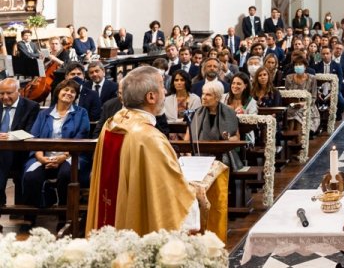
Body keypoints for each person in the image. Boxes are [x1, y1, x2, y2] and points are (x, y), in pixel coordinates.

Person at [86, 66, 204, 237]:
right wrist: (195, 191)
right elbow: (171, 193)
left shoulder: (112, 123)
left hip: (116, 211)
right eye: (162, 86)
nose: (165, 91)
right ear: (150, 96)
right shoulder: (149, 137)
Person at [22, 79, 91, 207]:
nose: (69, 93)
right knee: (30, 176)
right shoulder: (44, 114)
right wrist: (42, 158)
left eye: (73, 92)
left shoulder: (81, 113)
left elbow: (80, 137)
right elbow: (34, 137)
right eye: (66, 90)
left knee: (66, 175)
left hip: (72, 156)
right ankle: (34, 213)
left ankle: (64, 214)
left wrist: (62, 157)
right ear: (58, 92)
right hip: (44, 155)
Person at [0, 78, 40, 206]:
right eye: (1, 93)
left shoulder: (31, 106)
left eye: (9, 93)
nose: (5, 97)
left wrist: (8, 136)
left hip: (19, 151)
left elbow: (30, 131)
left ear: (19, 91)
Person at [187, 80, 243, 170]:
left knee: (223, 163)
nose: (203, 97)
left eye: (208, 95)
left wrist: (228, 139)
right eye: (203, 94)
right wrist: (189, 154)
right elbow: (188, 137)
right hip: (200, 152)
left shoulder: (229, 112)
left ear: (217, 97)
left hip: (223, 153)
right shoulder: (196, 113)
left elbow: (237, 137)